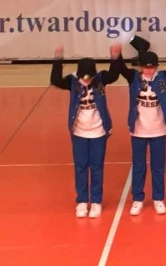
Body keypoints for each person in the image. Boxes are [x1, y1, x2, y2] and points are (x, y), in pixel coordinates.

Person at [50, 43, 122, 218]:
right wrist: (58, 59)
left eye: (90, 77)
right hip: (79, 132)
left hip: (98, 132)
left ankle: (96, 201)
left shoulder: (100, 79)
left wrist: (115, 57)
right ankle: (82, 201)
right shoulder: (73, 81)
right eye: (85, 77)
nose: (87, 80)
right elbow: (55, 81)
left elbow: (114, 75)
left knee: (96, 167)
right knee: (81, 166)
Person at [118, 40, 166, 215]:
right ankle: (138, 199)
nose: (149, 71)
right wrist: (116, 56)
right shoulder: (134, 78)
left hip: (158, 130)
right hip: (138, 130)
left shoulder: (162, 78)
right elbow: (121, 68)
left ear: (156, 67)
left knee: (158, 167)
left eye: (152, 68)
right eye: (146, 67)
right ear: (141, 67)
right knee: (139, 166)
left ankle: (158, 198)